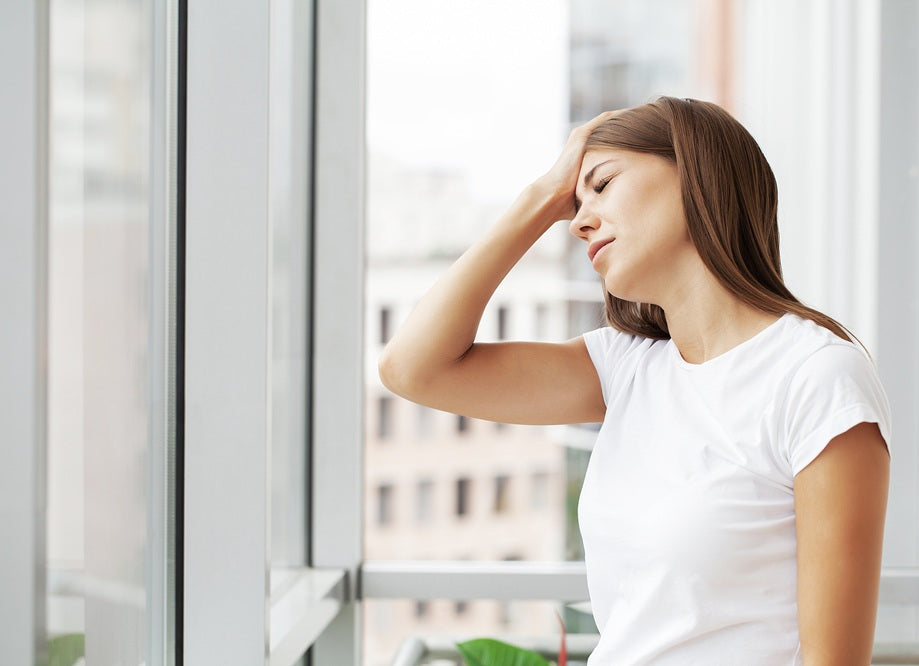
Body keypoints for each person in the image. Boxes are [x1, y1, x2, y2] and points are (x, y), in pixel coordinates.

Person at [378, 96, 891, 665]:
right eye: (573, 202)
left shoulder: (816, 376)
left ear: (695, 174)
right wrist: (537, 199)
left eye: (602, 184)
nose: (577, 220)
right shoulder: (626, 368)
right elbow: (412, 368)